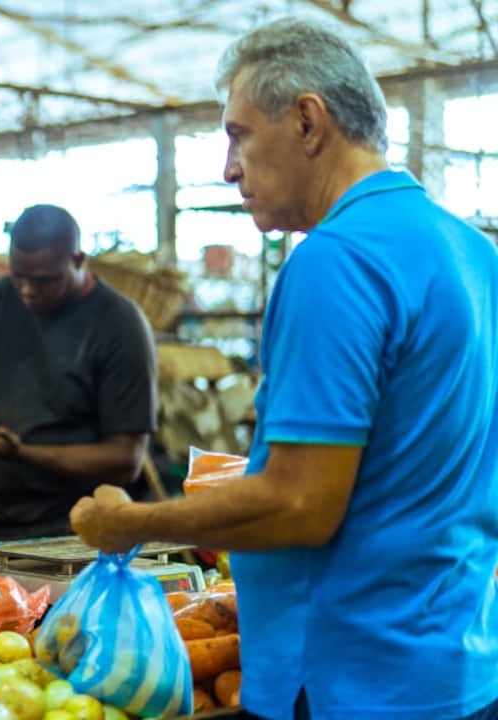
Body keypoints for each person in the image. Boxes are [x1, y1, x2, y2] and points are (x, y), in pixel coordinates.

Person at [70, 18, 498, 720]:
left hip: (353, 682)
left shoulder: (338, 259)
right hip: (460, 666)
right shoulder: (471, 252)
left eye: (238, 134)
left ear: (306, 121)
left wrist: (134, 524)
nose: (228, 167)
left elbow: (300, 503)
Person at [0, 203, 158, 553]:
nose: (27, 291)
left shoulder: (120, 325)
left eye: (44, 280)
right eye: (18, 277)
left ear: (78, 260)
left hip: (76, 533)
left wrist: (23, 453)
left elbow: (125, 460)